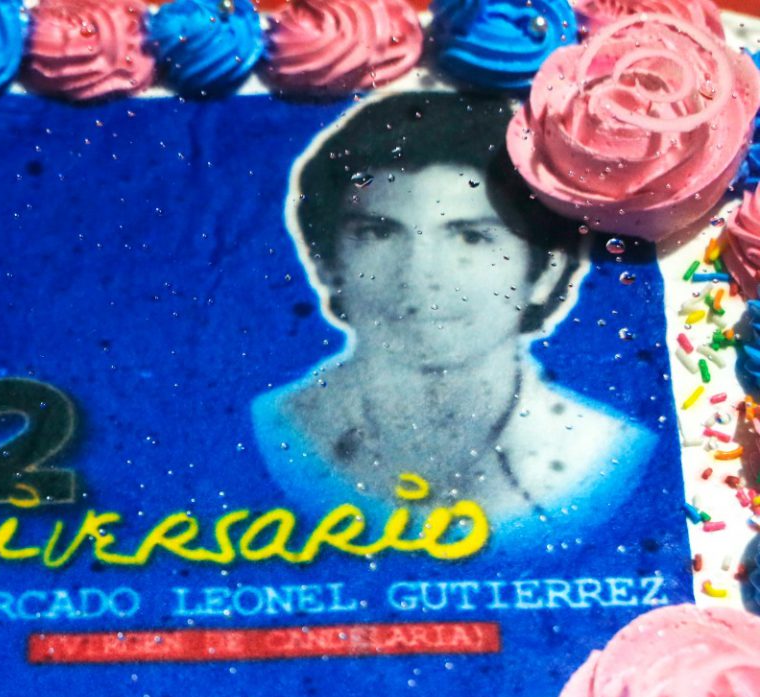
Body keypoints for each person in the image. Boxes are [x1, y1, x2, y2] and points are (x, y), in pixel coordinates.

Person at [253, 92, 654, 544]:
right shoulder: (272, 430)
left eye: (471, 238)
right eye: (378, 233)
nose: (419, 277)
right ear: (328, 264)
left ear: (545, 272)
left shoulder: (608, 451)